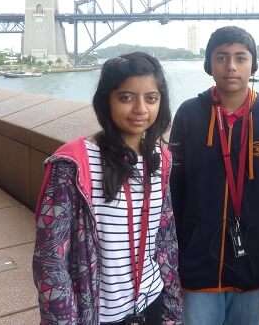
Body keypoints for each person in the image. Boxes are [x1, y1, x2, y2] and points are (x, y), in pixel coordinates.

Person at [33, 52, 183, 325]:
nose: (140, 109)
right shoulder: (73, 164)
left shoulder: (161, 158)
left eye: (151, 98)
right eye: (126, 97)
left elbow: (165, 239)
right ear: (107, 101)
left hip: (152, 304)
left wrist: (172, 310)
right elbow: (50, 260)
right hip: (98, 314)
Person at [169, 26, 259, 325]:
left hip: (254, 262)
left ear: (254, 64)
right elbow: (174, 192)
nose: (231, 66)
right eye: (221, 57)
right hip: (197, 263)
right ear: (209, 64)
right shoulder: (189, 114)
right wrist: (173, 258)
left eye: (240, 57)